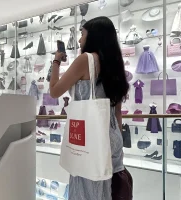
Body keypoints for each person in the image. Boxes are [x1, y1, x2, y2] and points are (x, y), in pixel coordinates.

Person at [49, 16, 132, 200]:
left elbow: (54, 91)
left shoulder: (86, 60)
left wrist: (56, 62)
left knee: (87, 192)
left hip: (90, 136)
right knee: (106, 188)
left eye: (82, 34)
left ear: (93, 36)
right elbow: (117, 112)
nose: (80, 39)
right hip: (113, 135)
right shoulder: (115, 64)